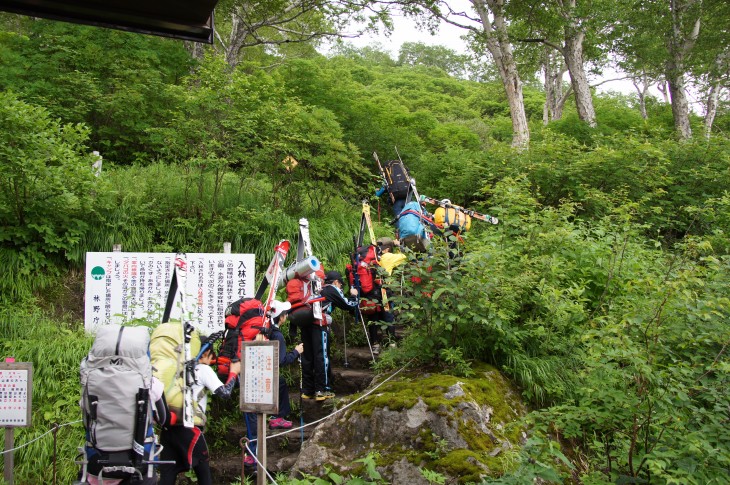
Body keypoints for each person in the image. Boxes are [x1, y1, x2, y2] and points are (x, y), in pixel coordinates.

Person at [158, 336, 239, 485]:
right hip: (190, 430)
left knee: (167, 477)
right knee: (204, 475)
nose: (211, 360)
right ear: (204, 353)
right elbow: (225, 393)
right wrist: (234, 372)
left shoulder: (175, 369)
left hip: (168, 429)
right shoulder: (203, 369)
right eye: (211, 355)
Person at [300, 270, 358, 401]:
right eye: (341, 285)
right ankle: (322, 389)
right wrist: (354, 297)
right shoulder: (331, 289)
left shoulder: (316, 288)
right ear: (336, 282)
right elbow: (348, 305)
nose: (341, 287)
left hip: (305, 323)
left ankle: (308, 390)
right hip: (319, 325)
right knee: (321, 356)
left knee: (308, 356)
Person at [268, 300, 305, 429]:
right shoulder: (278, 336)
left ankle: (274, 416)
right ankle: (278, 417)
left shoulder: (267, 330)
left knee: (280, 382)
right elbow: (282, 361)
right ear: (281, 317)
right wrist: (296, 352)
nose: (286, 316)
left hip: (262, 370)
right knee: (280, 383)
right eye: (285, 314)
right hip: (270, 373)